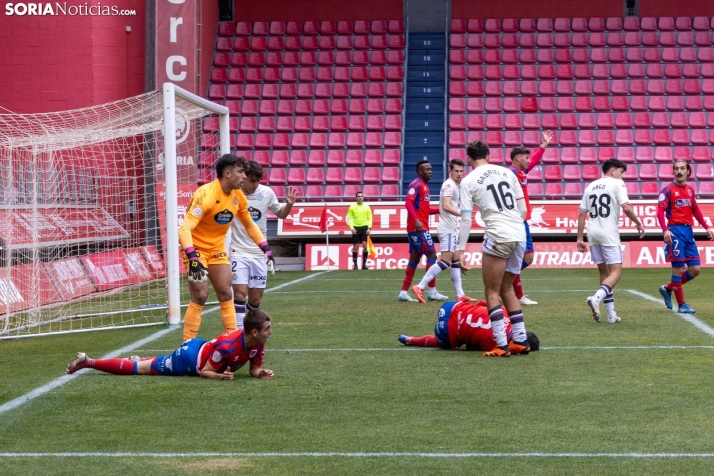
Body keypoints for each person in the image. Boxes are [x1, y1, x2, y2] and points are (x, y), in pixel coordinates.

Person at [178, 154, 273, 342]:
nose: (244, 177)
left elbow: (249, 224)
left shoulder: (238, 196)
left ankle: (232, 339)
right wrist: (192, 257)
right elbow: (185, 228)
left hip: (217, 249)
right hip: (195, 250)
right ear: (227, 174)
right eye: (240, 172)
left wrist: (265, 246)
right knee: (201, 295)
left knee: (226, 293)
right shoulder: (205, 195)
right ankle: (186, 343)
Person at [458, 140, 530, 357]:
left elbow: (465, 219)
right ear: (488, 155)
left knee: (491, 291)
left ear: (469, 159)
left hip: (498, 234)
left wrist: (461, 251)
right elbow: (523, 209)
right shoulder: (508, 173)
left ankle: (501, 344)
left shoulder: (468, 181)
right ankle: (520, 340)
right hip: (519, 234)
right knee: (506, 289)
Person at [66, 310, 275, 380]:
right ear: (255, 332)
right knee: (142, 370)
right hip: (188, 360)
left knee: (154, 362)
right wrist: (220, 376)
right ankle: (88, 362)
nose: (270, 332)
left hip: (201, 347)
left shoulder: (257, 342)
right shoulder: (228, 347)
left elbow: (253, 370)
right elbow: (204, 372)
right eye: (267, 329)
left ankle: (143, 358)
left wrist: (261, 372)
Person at [229, 160, 298, 329]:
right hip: (237, 251)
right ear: (243, 178)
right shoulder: (233, 194)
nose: (255, 185)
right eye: (252, 180)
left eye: (258, 181)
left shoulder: (266, 193)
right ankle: (238, 331)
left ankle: (249, 326)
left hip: (259, 252)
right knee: (239, 293)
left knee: (255, 299)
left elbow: (281, 215)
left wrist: (289, 204)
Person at [577, 158, 645, 323]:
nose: (622, 177)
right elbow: (627, 207)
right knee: (616, 274)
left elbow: (581, 213)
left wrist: (579, 238)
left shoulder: (591, 186)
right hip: (609, 233)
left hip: (592, 232)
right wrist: (638, 223)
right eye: (621, 172)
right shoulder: (617, 184)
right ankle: (596, 298)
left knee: (604, 273)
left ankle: (611, 315)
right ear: (613, 170)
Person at [657, 159, 714, 314]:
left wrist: (707, 227)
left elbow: (695, 210)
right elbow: (660, 211)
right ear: (673, 171)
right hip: (675, 233)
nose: (679, 171)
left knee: (695, 269)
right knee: (678, 269)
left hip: (688, 232)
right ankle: (682, 305)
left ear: (688, 171)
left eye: (682, 168)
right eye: (676, 169)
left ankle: (667, 288)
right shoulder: (667, 190)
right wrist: (664, 230)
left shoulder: (690, 190)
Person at [411, 159, 473, 303]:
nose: (459, 174)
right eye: (456, 171)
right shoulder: (449, 185)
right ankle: (420, 286)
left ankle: (460, 294)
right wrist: (462, 214)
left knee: (456, 260)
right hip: (447, 229)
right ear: (450, 171)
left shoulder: (456, 186)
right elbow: (445, 206)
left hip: (452, 228)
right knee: (445, 262)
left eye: (461, 171)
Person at [507, 131, 553, 305]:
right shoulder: (510, 175)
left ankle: (516, 292)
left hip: (522, 221)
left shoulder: (521, 172)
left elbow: (534, 162)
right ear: (518, 158)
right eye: (526, 157)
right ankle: (513, 290)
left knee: (525, 257)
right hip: (515, 221)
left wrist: (544, 146)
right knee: (525, 257)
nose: (528, 160)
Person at [397, 299, 539, 354]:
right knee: (449, 344)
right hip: (445, 330)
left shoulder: (506, 312)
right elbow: (470, 346)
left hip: (451, 306)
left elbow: (483, 304)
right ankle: (410, 340)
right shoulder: (496, 344)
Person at [398, 160, 448, 302]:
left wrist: (442, 210)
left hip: (419, 228)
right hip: (418, 229)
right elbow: (408, 203)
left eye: (431, 169)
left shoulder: (425, 186)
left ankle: (403, 293)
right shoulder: (416, 184)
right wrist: (416, 220)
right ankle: (432, 291)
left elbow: (425, 210)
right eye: (427, 169)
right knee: (432, 255)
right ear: (420, 171)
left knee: (414, 259)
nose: (430, 172)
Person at [346, 191, 373, 270]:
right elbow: (349, 218)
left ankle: (364, 265)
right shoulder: (352, 207)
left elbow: (370, 218)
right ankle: (355, 265)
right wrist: (351, 228)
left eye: (361, 196)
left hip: (364, 228)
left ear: (363, 197)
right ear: (356, 198)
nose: (360, 197)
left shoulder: (367, 207)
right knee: (355, 247)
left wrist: (369, 228)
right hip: (356, 228)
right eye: (358, 196)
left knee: (365, 247)